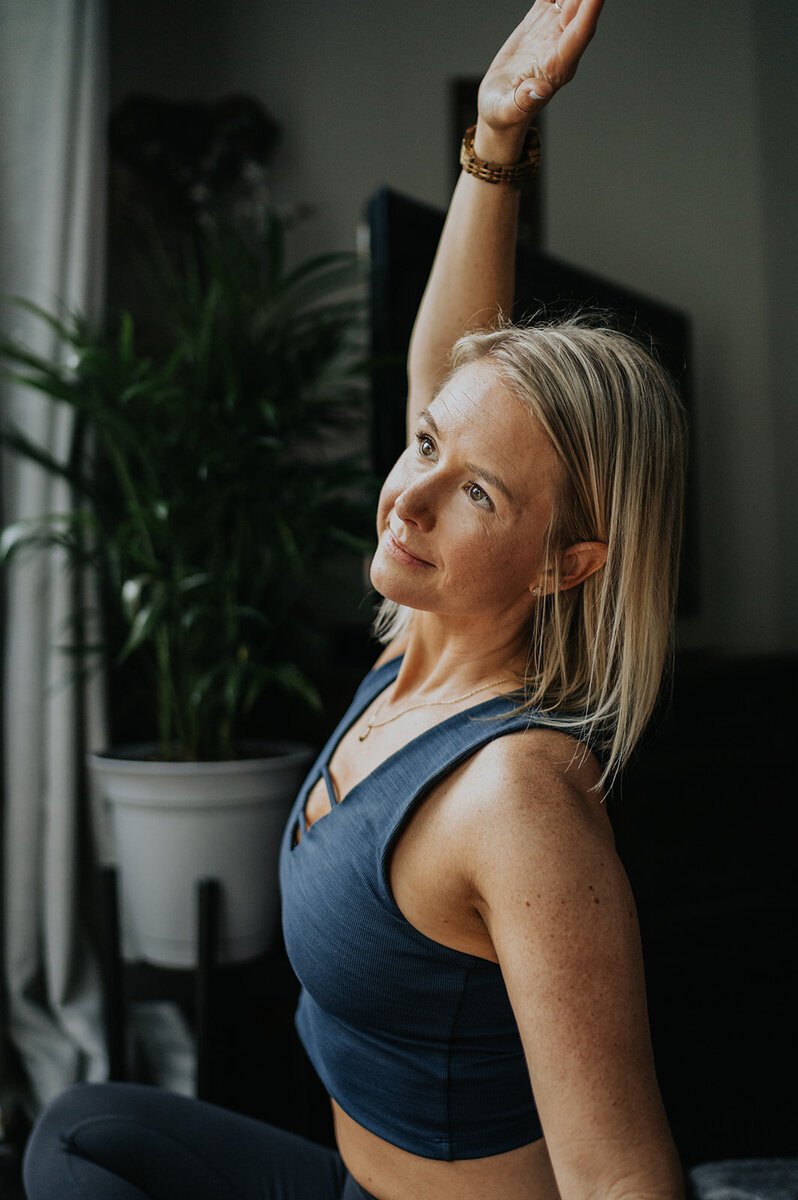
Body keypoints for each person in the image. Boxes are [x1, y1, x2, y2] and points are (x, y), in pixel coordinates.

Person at [22, 2, 688, 1198]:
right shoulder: (418, 641)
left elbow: (621, 1183)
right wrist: (494, 136)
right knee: (78, 1133)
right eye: (420, 446)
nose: (407, 497)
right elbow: (444, 378)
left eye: (474, 493)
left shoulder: (514, 799)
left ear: (563, 565)